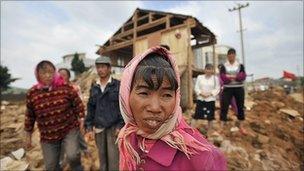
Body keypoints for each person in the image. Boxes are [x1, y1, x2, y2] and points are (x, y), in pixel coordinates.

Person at [117, 46, 227, 170]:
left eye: (166, 95)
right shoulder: (127, 138)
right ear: (126, 95)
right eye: (144, 93)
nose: (154, 108)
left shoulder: (201, 157)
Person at [24, 60, 84, 171]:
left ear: (54, 73)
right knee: (51, 166)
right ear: (38, 75)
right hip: (48, 136)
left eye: (50, 72)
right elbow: (29, 116)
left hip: (68, 129)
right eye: (44, 73)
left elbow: (78, 104)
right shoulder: (32, 93)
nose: (48, 76)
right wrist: (28, 136)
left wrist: (81, 120)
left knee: (72, 156)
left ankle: (78, 168)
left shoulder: (65, 88)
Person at [84, 56, 124, 171]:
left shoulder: (118, 85)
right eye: (98, 67)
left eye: (103, 67)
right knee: (101, 161)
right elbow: (90, 107)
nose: (100, 70)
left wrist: (120, 126)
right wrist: (89, 127)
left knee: (114, 160)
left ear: (109, 68)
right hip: (99, 129)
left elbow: (123, 106)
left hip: (114, 129)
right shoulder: (94, 88)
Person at [58, 68, 90, 166]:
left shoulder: (74, 88)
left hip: (73, 117)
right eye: (59, 75)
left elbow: (80, 102)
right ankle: (65, 158)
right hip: (60, 120)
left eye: (64, 75)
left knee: (77, 134)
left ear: (68, 76)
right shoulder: (55, 89)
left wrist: (81, 118)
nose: (61, 77)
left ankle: (82, 151)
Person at [219, 48, 247, 134]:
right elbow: (222, 77)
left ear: (235, 55)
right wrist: (235, 77)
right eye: (229, 55)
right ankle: (222, 127)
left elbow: (242, 76)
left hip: (239, 88)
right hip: (227, 88)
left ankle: (241, 126)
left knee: (240, 106)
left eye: (233, 55)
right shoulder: (224, 66)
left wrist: (231, 77)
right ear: (227, 56)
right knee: (224, 106)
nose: (231, 57)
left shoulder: (240, 65)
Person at [193, 64, 220, 131]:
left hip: (210, 99)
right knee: (196, 115)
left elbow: (217, 88)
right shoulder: (200, 77)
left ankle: (209, 133)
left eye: (210, 69)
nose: (208, 71)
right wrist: (201, 93)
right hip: (201, 99)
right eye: (207, 69)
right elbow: (196, 87)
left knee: (210, 117)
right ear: (205, 70)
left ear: (212, 70)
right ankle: (191, 131)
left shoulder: (215, 78)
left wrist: (210, 94)